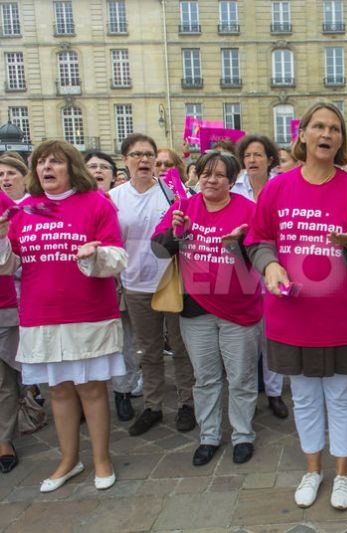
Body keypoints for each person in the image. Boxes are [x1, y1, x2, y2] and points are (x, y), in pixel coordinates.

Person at [245, 103, 347, 510]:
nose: (328, 134)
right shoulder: (277, 188)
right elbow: (258, 240)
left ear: (341, 139)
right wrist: (269, 264)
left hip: (342, 318)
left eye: (336, 129)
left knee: (342, 396)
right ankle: (313, 469)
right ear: (303, 133)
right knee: (304, 397)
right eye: (320, 126)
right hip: (292, 317)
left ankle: (343, 474)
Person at [0, 139, 128, 491]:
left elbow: (119, 258)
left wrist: (93, 255)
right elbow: (10, 265)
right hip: (40, 315)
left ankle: (102, 459)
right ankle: (69, 460)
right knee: (58, 390)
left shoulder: (95, 203)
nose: (47, 168)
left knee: (91, 389)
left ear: (72, 167)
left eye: (55, 162)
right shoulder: (24, 210)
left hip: (88, 314)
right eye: (41, 162)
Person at [152, 150, 263, 466]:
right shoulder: (182, 207)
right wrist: (176, 232)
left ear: (232, 180)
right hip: (195, 310)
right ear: (197, 176)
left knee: (241, 378)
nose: (211, 179)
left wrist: (241, 243)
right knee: (206, 378)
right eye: (206, 173)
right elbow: (159, 251)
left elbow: (264, 255)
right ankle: (210, 436)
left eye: (219, 174)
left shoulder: (249, 210)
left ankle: (242, 435)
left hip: (240, 310)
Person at [110, 133, 196, 437]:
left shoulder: (172, 192)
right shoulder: (114, 198)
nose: (144, 160)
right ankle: (153, 406)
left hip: (171, 282)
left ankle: (187, 403)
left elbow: (189, 230)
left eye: (148, 154)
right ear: (125, 161)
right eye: (136, 155)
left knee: (182, 348)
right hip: (135, 284)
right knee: (148, 350)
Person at [232, 134, 289, 419]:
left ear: (270, 159)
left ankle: (275, 393)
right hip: (242, 271)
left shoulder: (282, 186)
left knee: (272, 337)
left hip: (276, 266)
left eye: (258, 155)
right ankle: (248, 395)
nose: (252, 160)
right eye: (248, 156)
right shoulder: (236, 188)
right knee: (246, 339)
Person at [84, 150, 140, 422]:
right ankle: (85, 399)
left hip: (121, 281)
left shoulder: (121, 200)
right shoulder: (74, 203)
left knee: (125, 340)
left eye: (104, 167)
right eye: (92, 166)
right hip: (84, 286)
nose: (98, 171)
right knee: (87, 343)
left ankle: (123, 392)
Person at [0, 155, 26, 474]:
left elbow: (16, 250)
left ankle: (4, 438)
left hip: (3, 300)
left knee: (5, 377)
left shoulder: (6, 205)